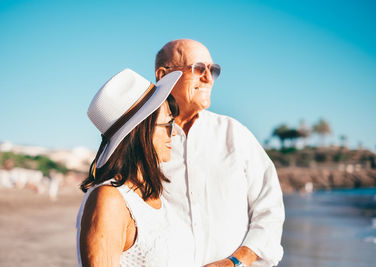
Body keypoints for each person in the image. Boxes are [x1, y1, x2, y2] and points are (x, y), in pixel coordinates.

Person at [155, 39, 285, 267]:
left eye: (213, 70)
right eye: (198, 68)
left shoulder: (234, 134)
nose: (208, 78)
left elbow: (270, 208)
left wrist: (236, 261)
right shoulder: (143, 141)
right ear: (163, 75)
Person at [76, 68, 195, 267]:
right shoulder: (110, 200)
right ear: (141, 131)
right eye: (167, 125)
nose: (174, 134)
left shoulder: (153, 194)